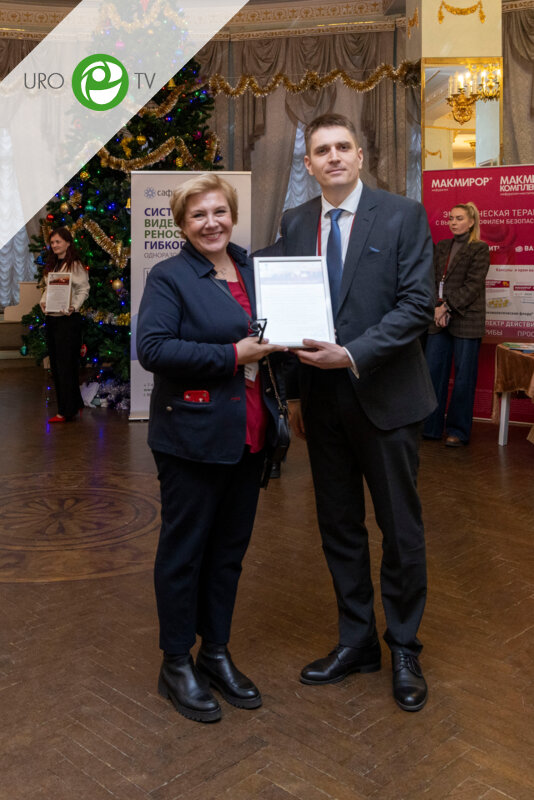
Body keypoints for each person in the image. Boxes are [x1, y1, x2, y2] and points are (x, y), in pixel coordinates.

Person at [272, 113, 436, 711]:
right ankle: (357, 640)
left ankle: (405, 646)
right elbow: (288, 312)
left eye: (343, 146)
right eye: (322, 150)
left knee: (400, 529)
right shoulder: (295, 222)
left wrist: (352, 353)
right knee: (339, 526)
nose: (334, 157)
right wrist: (293, 394)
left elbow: (417, 305)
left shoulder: (402, 214)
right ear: (309, 164)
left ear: (360, 155)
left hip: (386, 398)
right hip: (321, 405)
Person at [136, 174, 286, 724]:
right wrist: (232, 355)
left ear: (233, 214)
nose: (211, 223)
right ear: (182, 224)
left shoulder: (253, 268)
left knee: (227, 553)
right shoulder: (169, 276)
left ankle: (215, 652)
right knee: (184, 553)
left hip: (249, 433)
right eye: (198, 215)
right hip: (191, 439)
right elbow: (153, 349)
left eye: (219, 211)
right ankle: (176, 662)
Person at [423, 202, 490, 446]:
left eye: (459, 218)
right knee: (433, 373)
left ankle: (458, 431)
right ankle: (430, 427)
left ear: (471, 222)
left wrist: (447, 306)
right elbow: (431, 279)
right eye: (451, 218)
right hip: (438, 318)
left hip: (466, 319)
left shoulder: (479, 248)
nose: (453, 222)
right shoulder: (442, 246)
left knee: (463, 378)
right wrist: (436, 307)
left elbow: (473, 285)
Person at [39, 227, 89, 423]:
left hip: (68, 320)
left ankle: (66, 411)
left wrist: (74, 306)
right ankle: (74, 404)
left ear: (68, 243)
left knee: (65, 366)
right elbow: (49, 289)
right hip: (52, 319)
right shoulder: (53, 265)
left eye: (58, 241)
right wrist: (43, 301)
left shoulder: (75, 265)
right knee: (57, 365)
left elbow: (83, 289)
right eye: (52, 242)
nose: (55, 245)